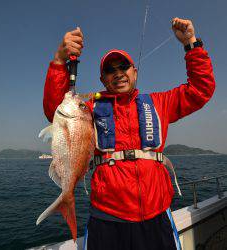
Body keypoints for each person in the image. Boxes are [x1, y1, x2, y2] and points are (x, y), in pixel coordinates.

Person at [43, 17, 215, 250]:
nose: (118, 73)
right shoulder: (88, 109)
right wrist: (59, 60)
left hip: (156, 217)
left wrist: (191, 44)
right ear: (102, 79)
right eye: (110, 70)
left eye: (123, 67)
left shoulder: (159, 102)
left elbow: (200, 90)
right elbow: (56, 109)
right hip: (107, 220)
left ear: (134, 72)